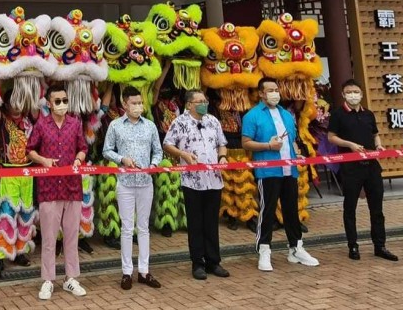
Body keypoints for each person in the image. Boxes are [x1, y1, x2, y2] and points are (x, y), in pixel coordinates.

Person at [241, 77, 319, 271]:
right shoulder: (252, 115)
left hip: (289, 170)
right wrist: (268, 146)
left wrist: (296, 153)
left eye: (276, 89)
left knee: (291, 210)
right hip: (268, 171)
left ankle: (296, 248)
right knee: (267, 211)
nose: (275, 93)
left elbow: (291, 140)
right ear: (261, 93)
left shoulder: (286, 114)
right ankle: (264, 250)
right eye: (270, 90)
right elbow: (246, 143)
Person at [26, 83, 89, 300]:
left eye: (65, 100)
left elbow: (83, 147)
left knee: (71, 236)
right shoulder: (41, 125)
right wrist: (43, 160)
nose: (62, 104)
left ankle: (71, 278)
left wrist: (79, 159)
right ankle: (48, 280)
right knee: (49, 238)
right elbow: (29, 149)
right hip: (49, 188)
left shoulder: (75, 123)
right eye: (58, 101)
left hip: (72, 187)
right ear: (49, 104)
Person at [326, 80, 398, 262]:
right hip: (350, 167)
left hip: (372, 166)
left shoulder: (368, 114)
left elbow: (375, 134)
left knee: (377, 208)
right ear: (343, 94)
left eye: (356, 92)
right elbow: (331, 137)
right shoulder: (338, 114)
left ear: (361, 94)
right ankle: (353, 245)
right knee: (350, 207)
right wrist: (349, 144)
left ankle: (380, 245)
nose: (353, 95)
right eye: (349, 92)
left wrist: (379, 145)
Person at [162, 89, 230, 280]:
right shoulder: (180, 122)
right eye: (199, 101)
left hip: (214, 179)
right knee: (195, 223)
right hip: (192, 181)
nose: (204, 104)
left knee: (211, 222)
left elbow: (222, 143)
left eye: (205, 101)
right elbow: (167, 144)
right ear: (189, 104)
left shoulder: (213, 120)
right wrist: (182, 154)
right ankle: (197, 263)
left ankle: (213, 262)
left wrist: (222, 157)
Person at [102, 87, 164, 291]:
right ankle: (127, 272)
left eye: (140, 103)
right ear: (125, 105)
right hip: (125, 183)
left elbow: (158, 151)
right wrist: (122, 159)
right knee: (127, 229)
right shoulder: (115, 125)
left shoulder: (150, 126)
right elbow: (107, 150)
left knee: (144, 228)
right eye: (134, 103)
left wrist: (154, 165)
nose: (138, 106)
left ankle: (144, 271)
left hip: (146, 182)